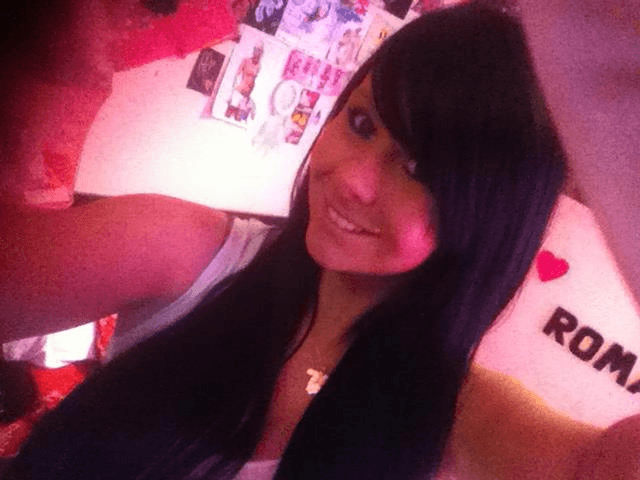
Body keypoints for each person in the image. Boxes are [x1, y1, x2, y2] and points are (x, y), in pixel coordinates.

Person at [1, 2, 639, 480]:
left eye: (419, 169)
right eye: (361, 123)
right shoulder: (192, 250)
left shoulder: (457, 411)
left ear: (485, 217)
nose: (353, 180)